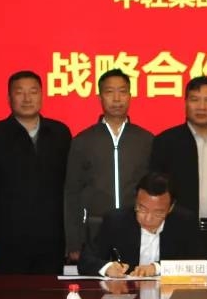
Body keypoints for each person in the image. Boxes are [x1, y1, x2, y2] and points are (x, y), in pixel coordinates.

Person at [0, 71, 72, 275]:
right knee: (9, 295)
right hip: (7, 241)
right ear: (9, 98)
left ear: (42, 96)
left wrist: (72, 240)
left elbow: (71, 189)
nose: (27, 98)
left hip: (51, 241)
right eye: (20, 92)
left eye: (33, 92)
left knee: (48, 294)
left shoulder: (60, 133)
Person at [64, 69, 154, 262]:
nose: (116, 98)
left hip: (136, 228)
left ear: (130, 96)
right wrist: (74, 242)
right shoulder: (83, 140)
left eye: (122, 91)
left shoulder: (146, 140)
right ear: (100, 97)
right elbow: (72, 193)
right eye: (109, 92)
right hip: (95, 229)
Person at [150, 76, 207, 258]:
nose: (201, 107)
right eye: (195, 99)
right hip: (179, 236)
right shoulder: (166, 142)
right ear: (185, 102)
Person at [78, 172, 204, 277]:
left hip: (172, 295)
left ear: (171, 208)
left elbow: (201, 264)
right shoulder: (116, 221)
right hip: (127, 293)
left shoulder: (184, 222)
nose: (148, 219)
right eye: (142, 209)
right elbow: (86, 260)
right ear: (136, 201)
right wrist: (108, 267)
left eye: (158, 213)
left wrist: (157, 268)